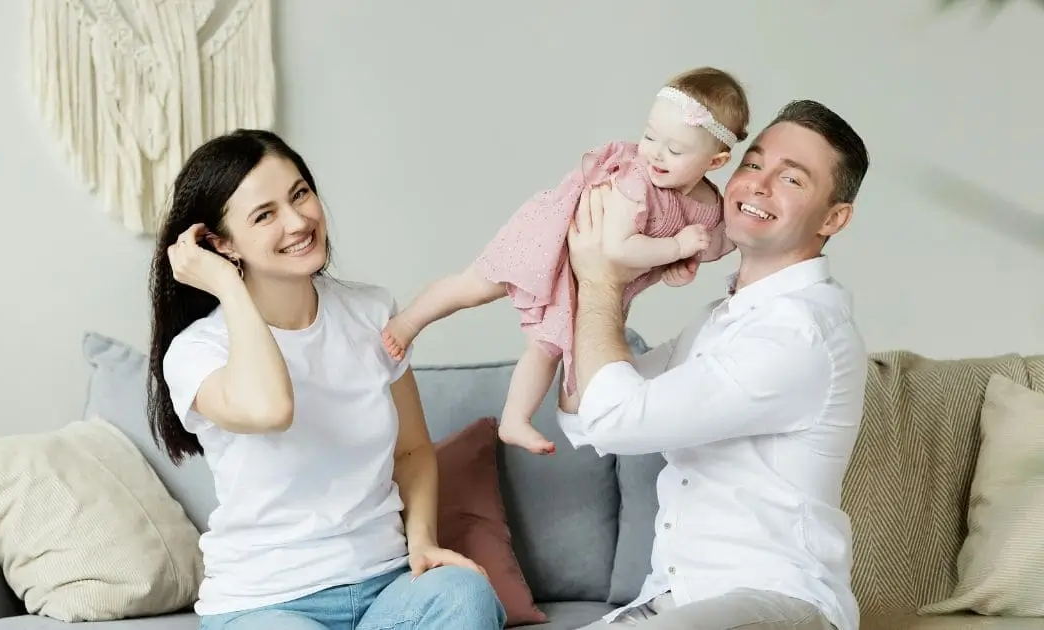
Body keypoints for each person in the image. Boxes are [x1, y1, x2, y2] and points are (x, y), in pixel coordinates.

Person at [145, 129, 507, 630]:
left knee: (465, 595)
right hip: (266, 604)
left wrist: (422, 542)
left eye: (300, 194)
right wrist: (228, 286)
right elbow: (273, 408)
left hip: (385, 586)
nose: (298, 221)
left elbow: (412, 450)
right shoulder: (196, 352)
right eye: (265, 214)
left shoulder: (371, 311)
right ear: (219, 244)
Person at [560, 99, 870, 630]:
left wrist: (601, 281)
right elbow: (584, 417)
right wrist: (624, 277)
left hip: (778, 600)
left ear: (834, 218)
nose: (758, 184)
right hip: (679, 597)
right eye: (753, 163)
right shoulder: (721, 320)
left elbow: (619, 420)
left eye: (792, 180)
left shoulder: (798, 334)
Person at [381, 67, 750, 455]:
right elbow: (618, 248)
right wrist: (675, 247)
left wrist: (679, 265)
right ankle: (408, 321)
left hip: (586, 278)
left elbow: (707, 246)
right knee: (474, 285)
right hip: (551, 238)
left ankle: (513, 420)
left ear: (716, 162)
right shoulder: (635, 179)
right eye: (649, 135)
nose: (654, 153)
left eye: (675, 150)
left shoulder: (709, 208)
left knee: (547, 347)